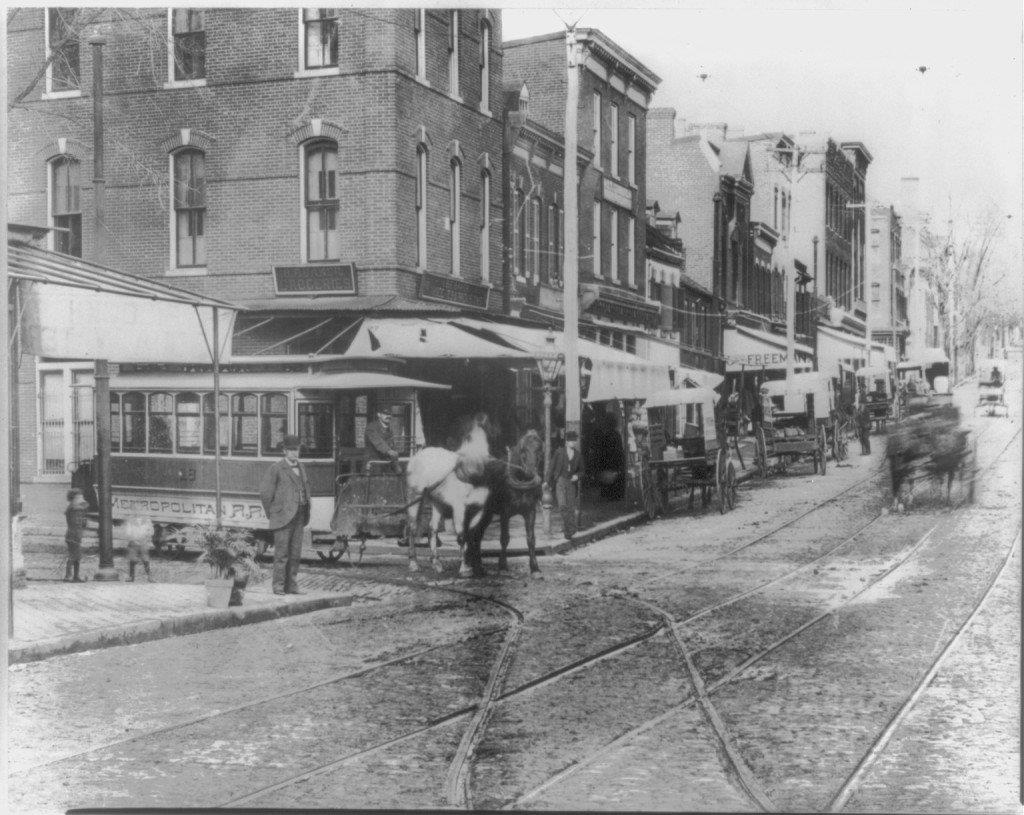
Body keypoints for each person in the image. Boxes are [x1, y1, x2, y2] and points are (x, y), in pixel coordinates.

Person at [260, 434, 310, 595]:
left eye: (297, 450)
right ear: (284, 451)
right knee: (281, 554)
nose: (295, 453)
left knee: (295, 553)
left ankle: (292, 586)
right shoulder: (276, 468)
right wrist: (274, 513)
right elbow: (266, 494)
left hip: (300, 515)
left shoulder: (301, 467)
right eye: (291, 450)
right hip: (282, 518)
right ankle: (278, 586)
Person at [546, 430, 582, 540]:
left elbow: (582, 470)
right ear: (566, 442)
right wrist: (547, 481)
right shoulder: (559, 452)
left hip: (571, 483)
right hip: (560, 481)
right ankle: (570, 528)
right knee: (562, 506)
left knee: (570, 508)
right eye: (570, 441)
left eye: (574, 441)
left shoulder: (578, 455)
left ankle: (568, 531)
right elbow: (551, 467)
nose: (573, 443)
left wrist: (577, 476)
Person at [63, 488, 88, 582]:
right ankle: (68, 575)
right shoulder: (73, 508)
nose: (81, 498)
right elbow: (77, 523)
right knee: (73, 556)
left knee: (77, 556)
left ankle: (75, 576)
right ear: (73, 498)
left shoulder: (74, 507)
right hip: (73, 535)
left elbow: (81, 522)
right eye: (78, 497)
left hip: (74, 534)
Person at [124, 515, 156, 582]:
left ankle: (150, 577)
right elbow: (128, 532)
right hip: (134, 542)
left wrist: (146, 538)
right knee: (132, 560)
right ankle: (131, 577)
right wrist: (133, 539)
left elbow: (151, 531)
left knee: (146, 560)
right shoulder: (130, 521)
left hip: (143, 542)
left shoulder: (147, 521)